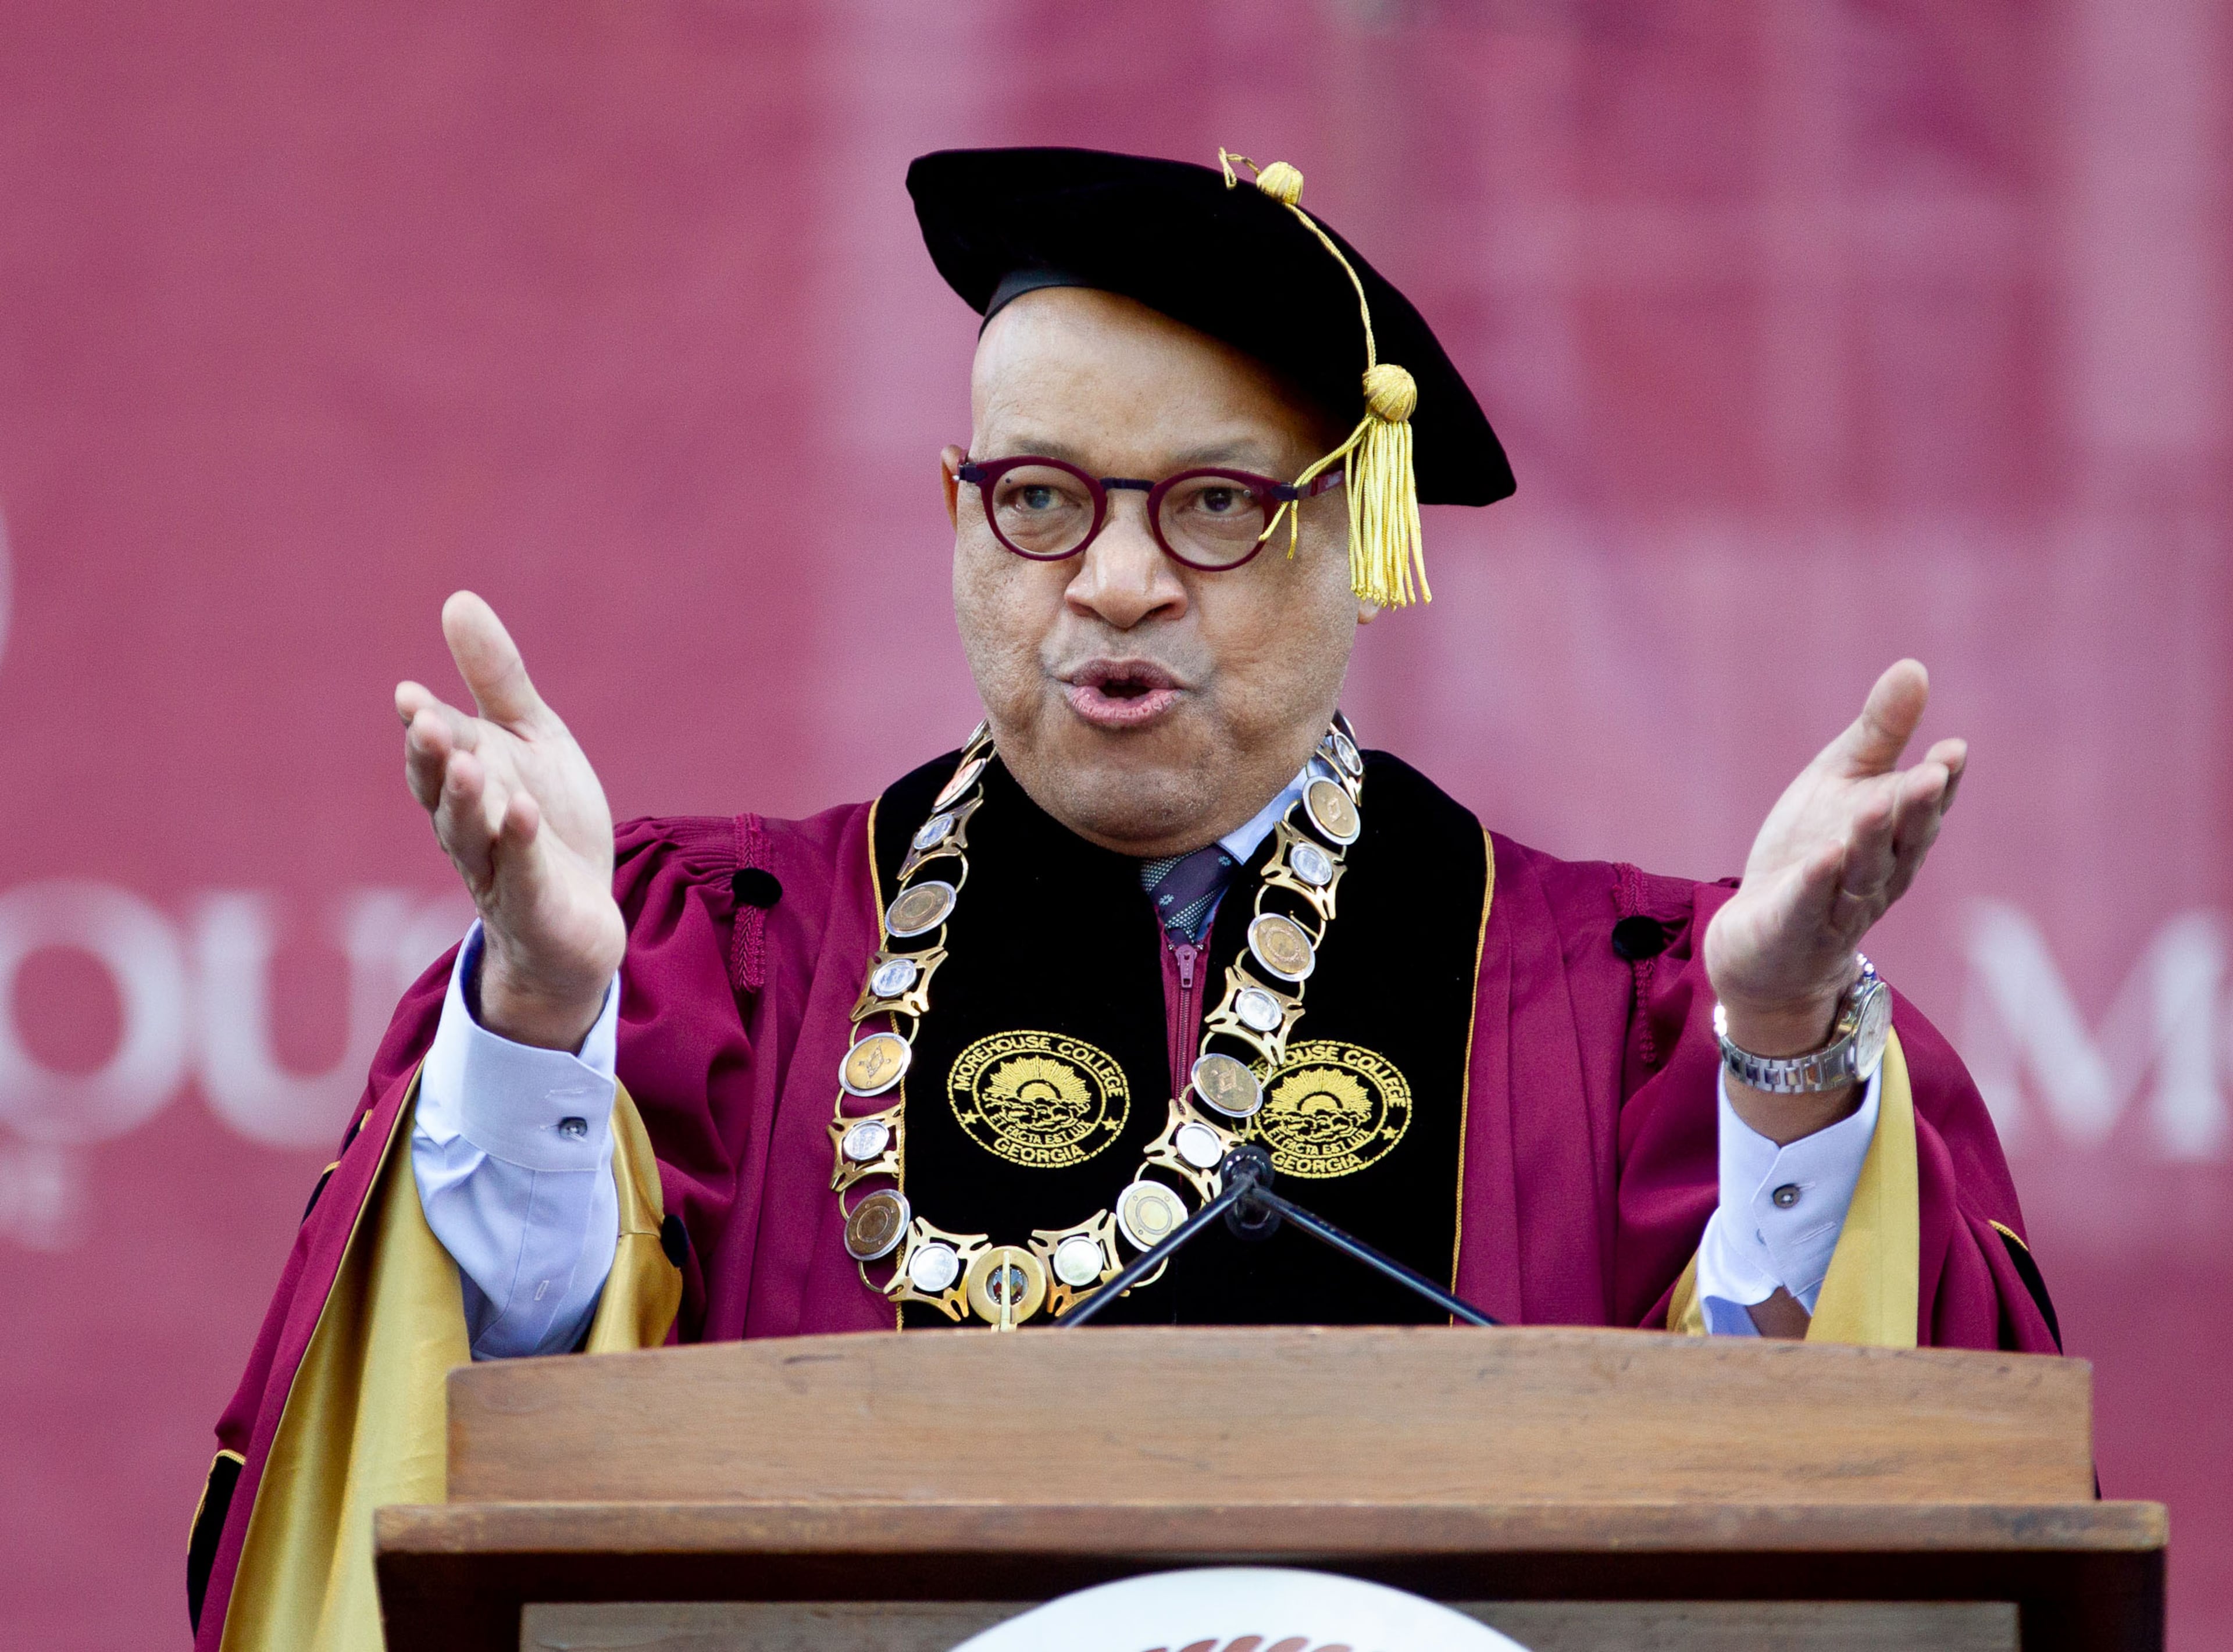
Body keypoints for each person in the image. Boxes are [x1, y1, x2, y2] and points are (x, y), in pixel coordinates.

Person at [189, 146, 2060, 1652]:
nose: (1115, 583)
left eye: (1215, 509)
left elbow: (1798, 1517)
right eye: (1042, 501)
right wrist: (531, 1008)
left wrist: (1792, 1047)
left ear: (1350, 535)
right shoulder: (729, 963)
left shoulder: (1622, 995)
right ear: (955, 515)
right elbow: (508, 1416)